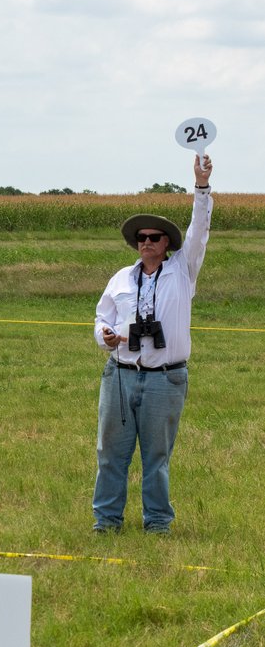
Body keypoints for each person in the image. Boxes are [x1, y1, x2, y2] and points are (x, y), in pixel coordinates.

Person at [92, 152, 213, 534]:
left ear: (167, 244)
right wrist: (104, 336)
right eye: (141, 238)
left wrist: (201, 186)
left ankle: (158, 524)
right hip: (121, 374)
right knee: (110, 454)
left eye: (153, 238)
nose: (146, 242)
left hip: (165, 377)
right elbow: (102, 317)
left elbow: (199, 228)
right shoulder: (121, 279)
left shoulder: (183, 270)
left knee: (156, 456)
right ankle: (106, 522)